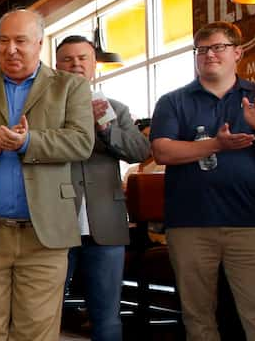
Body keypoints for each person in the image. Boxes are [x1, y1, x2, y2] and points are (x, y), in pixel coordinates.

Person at [0, 9, 94, 340]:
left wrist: (29, 142)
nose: (11, 49)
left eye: (21, 41)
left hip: (45, 236)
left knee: (36, 333)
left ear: (39, 43)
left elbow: (81, 142)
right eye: (3, 41)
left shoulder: (70, 87)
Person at [150, 21, 255, 341]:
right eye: (201, 50)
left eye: (217, 47)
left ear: (237, 53)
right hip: (188, 223)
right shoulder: (173, 101)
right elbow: (162, 151)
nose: (208, 55)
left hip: (248, 222)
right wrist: (216, 144)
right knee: (198, 321)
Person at [55, 35, 150, 341]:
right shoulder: (45, 109)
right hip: (54, 222)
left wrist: (107, 128)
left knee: (107, 317)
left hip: (107, 223)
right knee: (43, 312)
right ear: (57, 67)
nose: (76, 64)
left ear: (94, 65)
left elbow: (139, 150)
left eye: (83, 58)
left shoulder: (116, 108)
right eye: (68, 59)